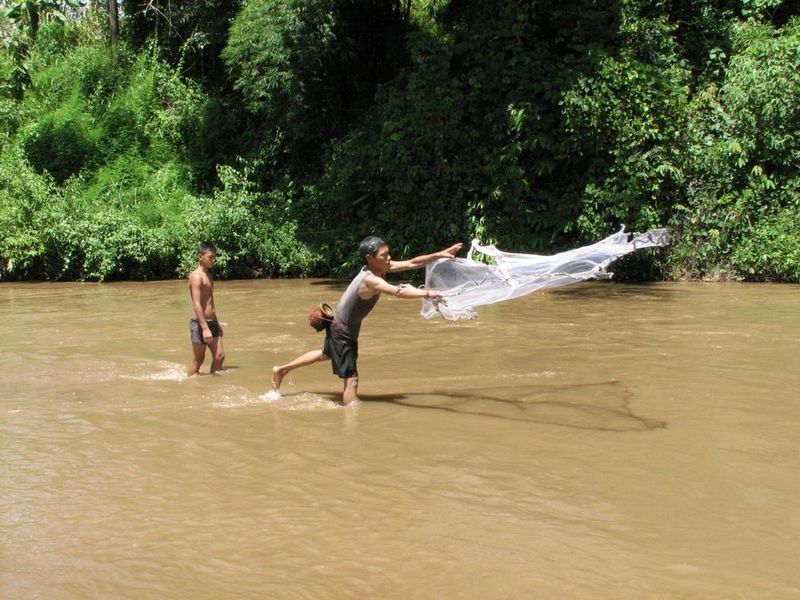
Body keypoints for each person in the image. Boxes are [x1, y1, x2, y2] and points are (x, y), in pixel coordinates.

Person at [271, 236, 462, 405]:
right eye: (384, 255)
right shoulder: (370, 279)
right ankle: (352, 421)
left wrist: (440, 254)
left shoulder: (379, 268)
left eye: (388, 254)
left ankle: (282, 370)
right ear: (370, 259)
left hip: (340, 324)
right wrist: (427, 293)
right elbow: (399, 291)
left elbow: (413, 263)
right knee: (351, 380)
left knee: (326, 354)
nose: (389, 258)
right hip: (342, 330)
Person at [187, 241, 225, 376]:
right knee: (199, 359)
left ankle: (213, 387)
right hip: (199, 323)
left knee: (219, 356)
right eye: (210, 257)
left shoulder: (208, 276)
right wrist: (204, 328)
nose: (213, 260)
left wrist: (217, 323)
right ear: (200, 256)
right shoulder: (196, 277)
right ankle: (190, 385)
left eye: (214, 257)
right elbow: (196, 304)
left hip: (212, 321)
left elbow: (210, 302)